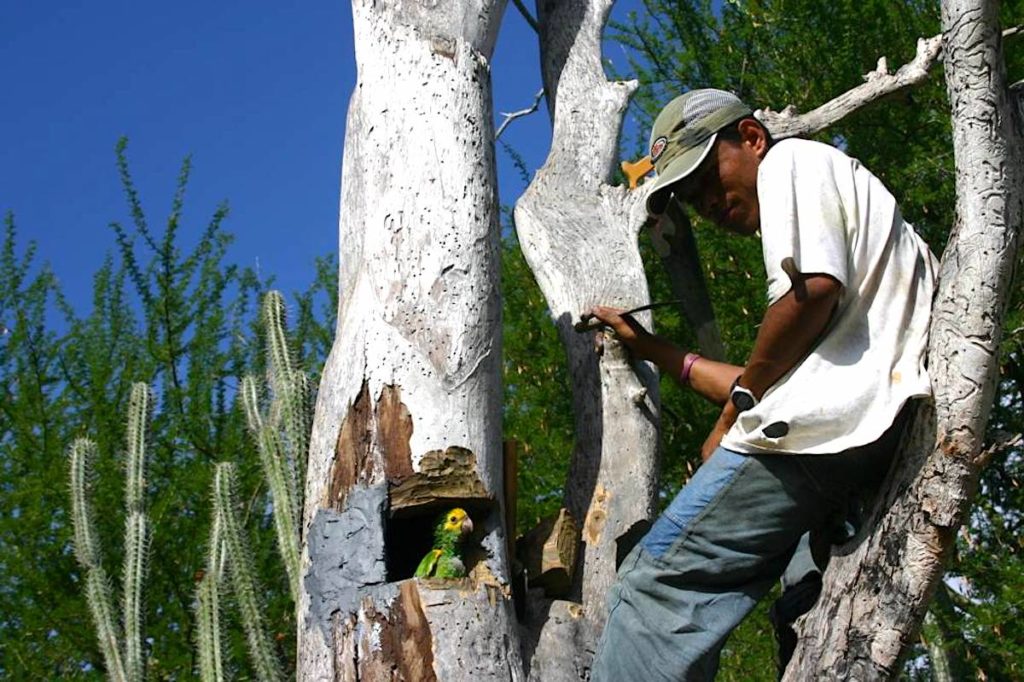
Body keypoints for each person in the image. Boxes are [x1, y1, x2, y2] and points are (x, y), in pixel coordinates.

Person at [588, 88, 937, 680]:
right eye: (689, 198)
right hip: (854, 432)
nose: (705, 203)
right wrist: (647, 346)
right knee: (801, 604)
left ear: (751, 138)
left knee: (655, 588)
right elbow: (761, 378)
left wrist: (734, 417)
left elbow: (808, 297)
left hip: (815, 438)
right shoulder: (854, 309)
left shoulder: (791, 161)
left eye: (706, 177)